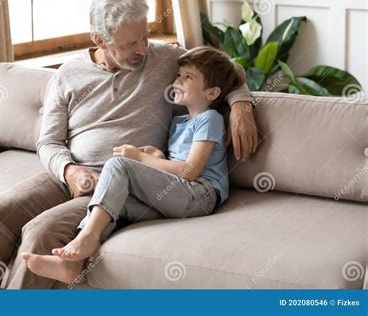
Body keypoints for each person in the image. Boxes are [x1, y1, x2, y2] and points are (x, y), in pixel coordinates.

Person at [0, 0, 258, 289]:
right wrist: (68, 171)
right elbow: (48, 142)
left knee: (40, 232)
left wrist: (241, 105)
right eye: (129, 43)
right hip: (66, 174)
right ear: (99, 40)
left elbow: (227, 71)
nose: (142, 49)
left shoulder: (165, 60)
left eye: (144, 36)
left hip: (117, 185)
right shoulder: (68, 74)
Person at [20, 46, 245, 283]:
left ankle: (86, 236)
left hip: (201, 195)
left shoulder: (210, 119)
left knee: (119, 164)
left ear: (212, 92)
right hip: (179, 194)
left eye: (188, 77)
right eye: (179, 75)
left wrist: (140, 159)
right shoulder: (179, 121)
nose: (177, 80)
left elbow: (190, 171)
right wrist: (157, 157)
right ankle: (73, 265)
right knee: (112, 203)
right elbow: (175, 168)